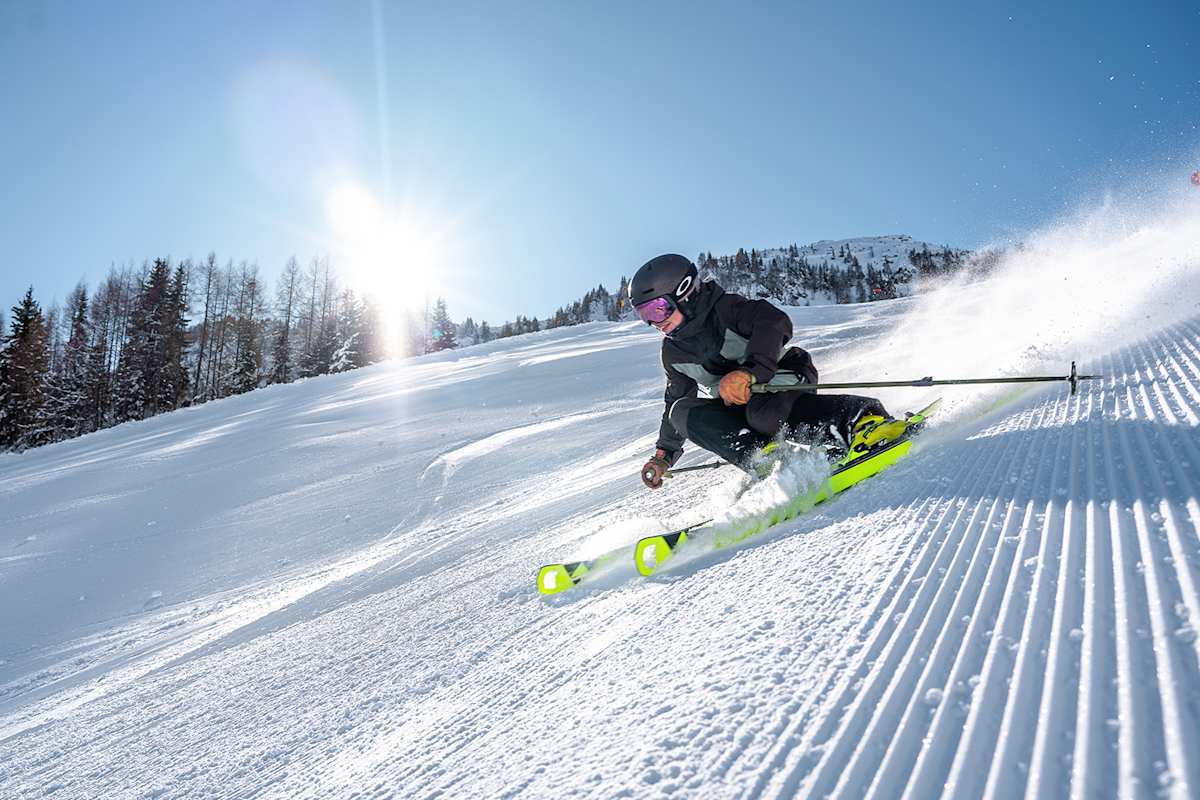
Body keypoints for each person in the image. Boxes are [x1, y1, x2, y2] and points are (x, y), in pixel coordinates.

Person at [632, 254, 892, 490]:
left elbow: (774, 321)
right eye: (645, 315)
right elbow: (674, 402)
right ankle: (770, 462)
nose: (655, 322)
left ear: (685, 293)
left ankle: (863, 421)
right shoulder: (673, 353)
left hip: (784, 376)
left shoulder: (726, 309)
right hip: (739, 404)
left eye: (658, 309)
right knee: (681, 411)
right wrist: (663, 455)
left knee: (762, 412)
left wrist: (750, 372)